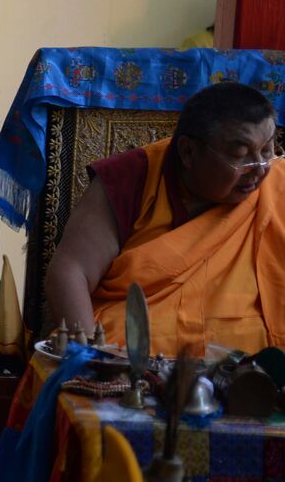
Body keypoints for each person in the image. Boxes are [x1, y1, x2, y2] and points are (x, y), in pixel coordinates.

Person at [45, 81, 284, 354]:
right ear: (188, 152)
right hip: (132, 361)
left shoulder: (279, 187)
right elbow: (69, 271)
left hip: (256, 369)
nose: (260, 170)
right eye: (241, 155)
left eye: (266, 150)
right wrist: (87, 358)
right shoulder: (133, 178)